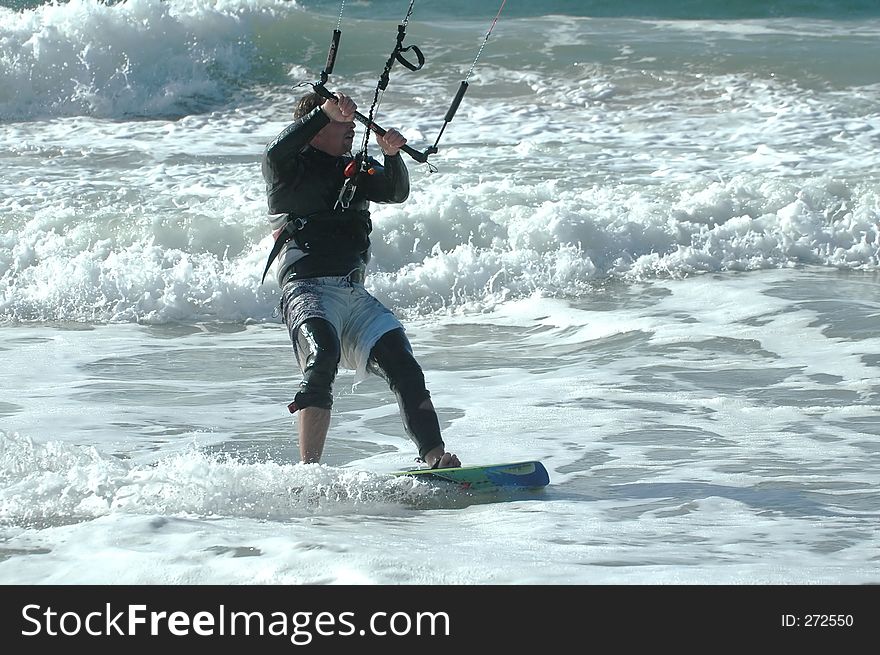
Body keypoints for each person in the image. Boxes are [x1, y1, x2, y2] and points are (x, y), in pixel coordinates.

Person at [260, 89, 461, 469]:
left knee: (402, 361)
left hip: (353, 293)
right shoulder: (288, 170)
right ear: (315, 129)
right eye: (341, 124)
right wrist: (324, 112)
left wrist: (391, 156)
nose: (351, 130)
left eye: (352, 124)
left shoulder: (356, 168)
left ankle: (435, 457)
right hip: (306, 290)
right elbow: (274, 151)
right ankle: (310, 471)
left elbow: (395, 192)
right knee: (323, 359)